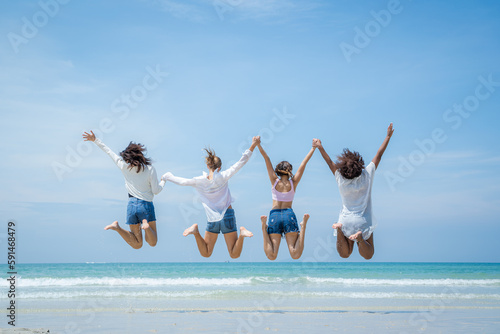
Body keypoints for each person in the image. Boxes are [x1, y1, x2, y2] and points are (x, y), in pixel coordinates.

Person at [162, 137, 260, 259]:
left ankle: (195, 231)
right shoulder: (223, 176)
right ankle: (242, 234)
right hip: (227, 215)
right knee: (234, 254)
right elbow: (241, 162)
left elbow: (183, 182)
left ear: (207, 166)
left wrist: (168, 176)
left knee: (206, 253)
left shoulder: (199, 181)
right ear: (219, 168)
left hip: (212, 218)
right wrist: (253, 145)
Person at [313, 123, 394, 260]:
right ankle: (360, 239)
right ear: (359, 164)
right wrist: (387, 136)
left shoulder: (340, 178)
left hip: (345, 220)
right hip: (363, 221)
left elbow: (329, 163)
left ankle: (338, 229)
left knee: (345, 254)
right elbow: (379, 155)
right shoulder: (366, 175)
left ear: (342, 167)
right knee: (369, 254)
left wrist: (320, 147)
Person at [83, 131, 165, 249]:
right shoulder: (150, 169)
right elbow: (156, 190)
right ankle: (146, 226)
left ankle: (117, 228)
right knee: (152, 242)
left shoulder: (124, 166)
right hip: (146, 205)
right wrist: (163, 181)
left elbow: (109, 152)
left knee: (137, 245)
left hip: (131, 206)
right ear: (140, 154)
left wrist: (95, 140)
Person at [257, 141, 316, 260]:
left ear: (278, 171)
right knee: (295, 254)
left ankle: (264, 227)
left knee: (272, 256)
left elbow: (266, 159)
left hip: (275, 216)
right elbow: (303, 164)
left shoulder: (274, 181)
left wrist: (258, 144)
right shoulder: (293, 183)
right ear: (289, 171)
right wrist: (313, 148)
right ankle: (303, 226)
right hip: (289, 215)